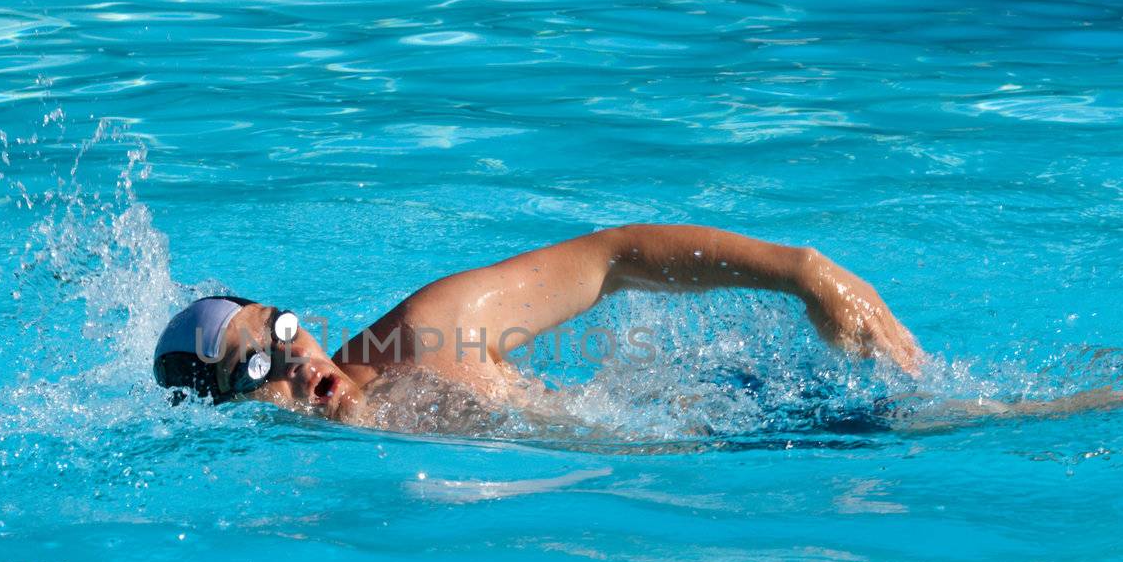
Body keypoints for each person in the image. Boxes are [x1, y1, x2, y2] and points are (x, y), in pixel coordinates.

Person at [152, 224, 924, 426]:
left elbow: (612, 260)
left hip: (753, 418)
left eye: (280, 329)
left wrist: (802, 272)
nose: (290, 362)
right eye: (252, 370)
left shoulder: (425, 334)